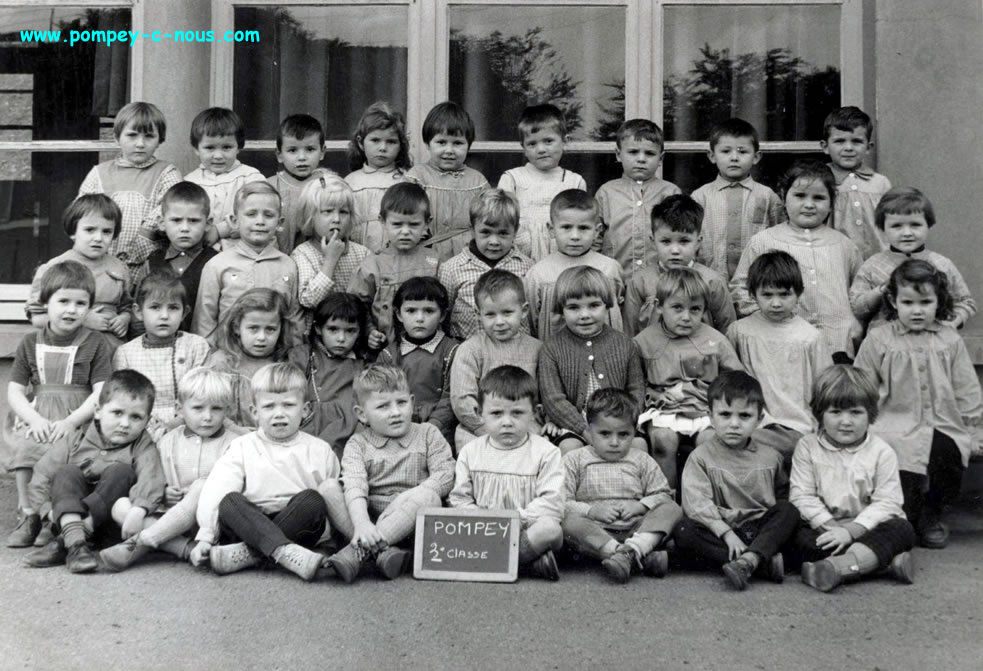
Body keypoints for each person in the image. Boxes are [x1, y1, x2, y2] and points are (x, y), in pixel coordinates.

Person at [854, 260, 982, 549]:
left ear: (939, 301)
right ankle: (906, 519)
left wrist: (973, 429)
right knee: (901, 468)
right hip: (892, 423)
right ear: (893, 301)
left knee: (948, 456)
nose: (917, 310)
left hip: (943, 422)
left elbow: (967, 389)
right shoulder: (879, 339)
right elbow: (861, 387)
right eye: (908, 302)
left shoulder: (949, 339)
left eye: (925, 302)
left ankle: (932, 513)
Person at [190, 363, 345, 581]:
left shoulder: (319, 449)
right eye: (269, 406)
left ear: (306, 409)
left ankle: (248, 554)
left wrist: (328, 545)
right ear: (255, 412)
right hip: (251, 525)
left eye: (289, 405)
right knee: (230, 501)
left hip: (298, 528)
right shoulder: (243, 446)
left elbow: (333, 501)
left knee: (312, 500)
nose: (279, 414)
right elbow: (218, 488)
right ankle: (282, 552)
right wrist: (206, 536)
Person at [4, 262, 115, 548]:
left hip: (77, 413)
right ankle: (28, 512)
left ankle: (52, 518)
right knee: (26, 447)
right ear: (45, 303)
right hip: (39, 412)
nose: (71, 310)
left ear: (89, 307)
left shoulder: (97, 343)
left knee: (64, 457)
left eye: (81, 303)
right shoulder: (30, 342)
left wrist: (71, 421)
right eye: (63, 301)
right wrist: (34, 420)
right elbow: (15, 390)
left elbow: (101, 391)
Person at [99, 368, 245, 571]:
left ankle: (143, 541)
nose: (207, 417)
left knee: (203, 486)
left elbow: (235, 486)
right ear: (180, 408)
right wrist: (164, 492)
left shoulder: (234, 443)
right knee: (121, 506)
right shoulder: (167, 440)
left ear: (227, 410)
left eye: (217, 409)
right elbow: (154, 478)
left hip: (211, 523)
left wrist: (199, 494)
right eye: (198, 408)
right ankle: (183, 548)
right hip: (169, 518)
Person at [22, 370, 165, 573]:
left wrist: (138, 510)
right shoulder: (76, 439)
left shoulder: (142, 445)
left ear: (147, 421)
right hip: (66, 516)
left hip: (110, 528)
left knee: (121, 471)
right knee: (67, 472)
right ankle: (76, 546)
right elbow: (42, 476)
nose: (125, 424)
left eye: (136, 417)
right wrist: (48, 512)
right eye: (117, 413)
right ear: (98, 410)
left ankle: (68, 541)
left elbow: (151, 479)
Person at [323, 365, 456, 582]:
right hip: (369, 518)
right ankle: (382, 551)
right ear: (362, 414)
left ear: (412, 402)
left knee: (430, 497)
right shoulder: (358, 443)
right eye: (383, 406)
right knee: (328, 488)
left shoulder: (427, 433)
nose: (395, 412)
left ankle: (357, 552)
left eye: (401, 403)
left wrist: (407, 497)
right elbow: (355, 484)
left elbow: (446, 474)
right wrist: (362, 523)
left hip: (411, 520)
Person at [790, 365, 916, 592]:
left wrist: (851, 532)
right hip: (825, 529)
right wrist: (832, 529)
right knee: (795, 535)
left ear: (870, 415)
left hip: (868, 528)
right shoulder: (807, 447)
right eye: (836, 412)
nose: (846, 421)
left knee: (902, 529)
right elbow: (801, 495)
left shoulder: (881, 451)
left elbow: (888, 502)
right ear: (819, 413)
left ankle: (835, 568)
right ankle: (879, 565)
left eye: (855, 412)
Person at [673, 371, 799, 590]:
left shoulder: (771, 456)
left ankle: (748, 559)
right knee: (684, 530)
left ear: (760, 419)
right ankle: (760, 563)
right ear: (710, 416)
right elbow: (696, 504)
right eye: (725, 414)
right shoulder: (701, 457)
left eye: (744, 416)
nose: (734, 424)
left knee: (789, 511)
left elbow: (782, 495)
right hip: (722, 531)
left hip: (761, 529)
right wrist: (726, 533)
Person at [731, 160, 863, 358]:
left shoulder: (844, 245)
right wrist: (767, 319)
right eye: (800, 196)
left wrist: (855, 323)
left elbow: (859, 293)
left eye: (819, 198)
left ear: (831, 204)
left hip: (838, 344)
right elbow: (741, 289)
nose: (809, 205)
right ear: (784, 197)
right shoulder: (763, 242)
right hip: (782, 346)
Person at [450, 365, 565, 580]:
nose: (507, 422)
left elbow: (552, 502)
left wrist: (510, 521)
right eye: (496, 413)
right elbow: (460, 499)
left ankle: (495, 562)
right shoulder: (470, 452)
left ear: (535, 412)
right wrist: (484, 522)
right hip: (482, 532)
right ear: (480, 413)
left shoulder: (547, 452)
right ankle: (526, 563)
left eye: (517, 413)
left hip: (528, 530)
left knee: (550, 528)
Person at [634, 267, 744, 490]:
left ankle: (702, 497)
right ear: (660, 306)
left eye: (695, 309)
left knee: (709, 442)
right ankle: (666, 496)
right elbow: (635, 381)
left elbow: (736, 380)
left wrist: (715, 399)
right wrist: (655, 394)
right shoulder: (644, 341)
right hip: (663, 409)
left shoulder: (715, 340)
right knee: (664, 441)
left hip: (704, 408)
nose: (686, 317)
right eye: (677, 308)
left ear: (704, 310)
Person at [561, 389, 681, 583]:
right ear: (589, 430)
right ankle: (628, 554)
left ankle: (634, 549)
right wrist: (591, 511)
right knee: (566, 521)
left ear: (634, 432)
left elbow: (662, 494)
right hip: (596, 530)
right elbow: (562, 501)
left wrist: (640, 506)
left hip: (636, 527)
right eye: (605, 434)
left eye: (624, 434)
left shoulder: (641, 459)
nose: (614, 442)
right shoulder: (575, 460)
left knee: (672, 508)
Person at [726, 251, 830, 466]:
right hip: (752, 422)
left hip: (796, 425)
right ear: (753, 294)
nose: (776, 303)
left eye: (784, 295)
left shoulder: (810, 337)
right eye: (767, 295)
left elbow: (824, 388)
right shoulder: (740, 331)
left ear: (798, 293)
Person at [538, 266, 645, 454]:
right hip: (575, 424)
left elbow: (636, 389)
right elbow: (553, 399)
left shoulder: (624, 344)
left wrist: (625, 421)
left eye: (594, 305)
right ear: (561, 310)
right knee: (570, 448)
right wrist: (584, 430)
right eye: (573, 307)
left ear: (607, 305)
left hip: (620, 422)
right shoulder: (552, 348)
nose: (585, 315)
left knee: (639, 446)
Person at [192, 181, 305, 343]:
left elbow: (294, 321)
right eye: (251, 214)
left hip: (274, 359)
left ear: (280, 223)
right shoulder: (217, 265)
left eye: (268, 215)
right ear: (234, 220)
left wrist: (293, 357)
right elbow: (204, 321)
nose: (260, 221)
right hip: (227, 357)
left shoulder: (288, 265)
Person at [849, 187, 976, 331]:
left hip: (931, 344)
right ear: (882, 230)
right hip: (886, 345)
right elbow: (857, 307)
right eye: (896, 226)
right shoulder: (872, 265)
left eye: (915, 225)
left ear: (929, 225)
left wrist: (951, 324)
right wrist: (881, 290)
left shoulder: (942, 264)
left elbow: (965, 302)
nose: (907, 233)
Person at [77, 101, 182, 271]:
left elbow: (171, 208)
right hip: (103, 264)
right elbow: (81, 213)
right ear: (117, 137)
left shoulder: (167, 173)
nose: (140, 143)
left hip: (150, 266)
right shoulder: (99, 174)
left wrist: (142, 239)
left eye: (149, 136)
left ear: (160, 140)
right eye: (132, 135)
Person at [112, 269, 211, 442]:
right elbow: (122, 400)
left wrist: (176, 423)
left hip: (190, 426)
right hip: (141, 429)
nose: (164, 316)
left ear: (185, 312)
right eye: (155, 307)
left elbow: (203, 395)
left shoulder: (196, 346)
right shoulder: (126, 353)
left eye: (173, 308)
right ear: (139, 312)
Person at [450, 270, 542, 451]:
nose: (499, 322)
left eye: (507, 313)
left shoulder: (537, 349)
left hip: (525, 426)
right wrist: (485, 430)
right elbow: (462, 399)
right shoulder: (470, 349)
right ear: (478, 313)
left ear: (523, 311)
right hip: (480, 429)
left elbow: (544, 397)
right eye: (490, 315)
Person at [622, 194, 735, 337]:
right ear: (653, 241)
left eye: (684, 241)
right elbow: (630, 331)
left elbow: (727, 328)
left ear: (698, 241)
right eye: (666, 241)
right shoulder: (640, 281)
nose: (675, 250)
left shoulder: (712, 281)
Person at [25, 195, 132, 344]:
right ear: (73, 231)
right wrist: (82, 320)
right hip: (71, 349)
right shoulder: (53, 268)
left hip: (110, 349)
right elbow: (38, 318)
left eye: (106, 231)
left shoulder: (119, 268)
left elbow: (127, 306)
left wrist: (124, 319)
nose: (98, 238)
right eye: (90, 230)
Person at [347, 182, 441, 347]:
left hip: (428, 349)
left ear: (427, 223)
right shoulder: (372, 265)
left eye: (413, 224)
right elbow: (356, 306)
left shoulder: (434, 262)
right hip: (385, 350)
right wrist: (369, 331)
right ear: (382, 221)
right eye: (397, 224)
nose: (405, 231)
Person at [692, 118, 786, 280]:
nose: (734, 158)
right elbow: (689, 240)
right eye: (726, 151)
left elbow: (781, 237)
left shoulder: (767, 196)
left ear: (756, 157)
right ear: (712, 156)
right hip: (709, 280)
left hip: (756, 281)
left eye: (742, 152)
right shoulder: (700, 197)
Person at [524, 189, 624, 340]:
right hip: (558, 357)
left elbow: (618, 310)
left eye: (583, 228)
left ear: (597, 231)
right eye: (566, 227)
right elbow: (532, 320)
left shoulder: (610, 269)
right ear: (551, 230)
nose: (575, 236)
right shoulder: (539, 274)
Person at [438, 188, 533, 340]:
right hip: (467, 352)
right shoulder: (452, 268)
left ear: (515, 231)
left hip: (515, 353)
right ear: (472, 230)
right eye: (486, 232)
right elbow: (443, 315)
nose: (494, 241)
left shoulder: (527, 268)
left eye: (503, 233)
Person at [376, 277, 460, 447]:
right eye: (411, 311)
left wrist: (433, 426)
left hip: (440, 430)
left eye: (429, 311)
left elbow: (451, 397)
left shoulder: (452, 351)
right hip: (398, 427)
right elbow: (380, 396)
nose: (420, 318)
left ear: (442, 315)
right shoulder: (389, 355)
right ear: (399, 314)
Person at [497, 104, 587, 261]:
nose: (541, 149)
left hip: (562, 254)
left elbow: (581, 220)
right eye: (532, 144)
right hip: (518, 254)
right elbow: (502, 220)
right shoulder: (512, 178)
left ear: (565, 142)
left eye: (548, 141)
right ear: (523, 148)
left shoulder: (574, 181)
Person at [596, 118, 681, 279]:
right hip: (615, 280)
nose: (641, 159)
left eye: (649, 153)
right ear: (618, 154)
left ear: (661, 158)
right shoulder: (606, 192)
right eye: (633, 152)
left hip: (659, 281)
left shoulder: (670, 192)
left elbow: (680, 237)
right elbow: (595, 238)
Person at [406, 102, 489, 260]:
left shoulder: (478, 181)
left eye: (457, 143)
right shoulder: (417, 177)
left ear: (468, 145)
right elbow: (405, 216)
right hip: (425, 254)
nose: (449, 150)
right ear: (427, 143)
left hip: (468, 256)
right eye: (441, 142)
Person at [288, 292, 367, 456]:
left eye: (350, 331)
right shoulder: (302, 357)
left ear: (360, 332)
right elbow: (289, 395)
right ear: (318, 328)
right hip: (306, 430)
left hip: (349, 435)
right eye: (333, 329)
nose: (341, 338)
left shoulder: (364, 365)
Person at [133, 182, 218, 334]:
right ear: (161, 223)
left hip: (203, 347)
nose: (184, 228)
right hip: (157, 348)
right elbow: (139, 311)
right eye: (176, 220)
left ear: (208, 223)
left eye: (193, 221)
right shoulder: (152, 263)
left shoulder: (216, 262)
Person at [204, 289, 294, 429]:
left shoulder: (284, 365)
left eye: (270, 329)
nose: (261, 337)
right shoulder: (221, 364)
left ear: (281, 329)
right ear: (236, 328)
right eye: (253, 328)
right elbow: (207, 410)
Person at [291, 174, 370, 330]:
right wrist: (330, 261)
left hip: (355, 336)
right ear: (310, 217)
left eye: (343, 212)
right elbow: (309, 300)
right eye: (327, 211)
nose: (336, 219)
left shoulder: (362, 253)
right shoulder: (303, 253)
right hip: (318, 340)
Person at [184, 107, 264, 248]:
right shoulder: (190, 182)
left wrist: (220, 230)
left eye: (226, 147)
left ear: (238, 146)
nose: (218, 156)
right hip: (200, 250)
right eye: (210, 148)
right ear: (196, 148)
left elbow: (258, 214)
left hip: (242, 251)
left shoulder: (250, 178)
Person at [821, 106, 892, 260]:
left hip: (876, 259)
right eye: (839, 141)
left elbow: (892, 222)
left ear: (868, 147)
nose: (848, 148)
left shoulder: (880, 183)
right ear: (825, 146)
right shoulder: (821, 180)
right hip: (835, 260)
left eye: (857, 141)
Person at [345, 101, 412, 253]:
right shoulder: (350, 182)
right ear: (361, 143)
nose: (382, 148)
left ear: (400, 145)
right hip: (358, 254)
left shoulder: (406, 180)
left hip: (397, 255)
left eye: (391, 142)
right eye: (375, 140)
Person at [267, 114, 331, 255]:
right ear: (279, 155)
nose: (302, 157)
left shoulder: (328, 184)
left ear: (322, 152)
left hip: (318, 259)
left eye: (310, 149)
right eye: (293, 150)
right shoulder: (270, 187)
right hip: (278, 258)